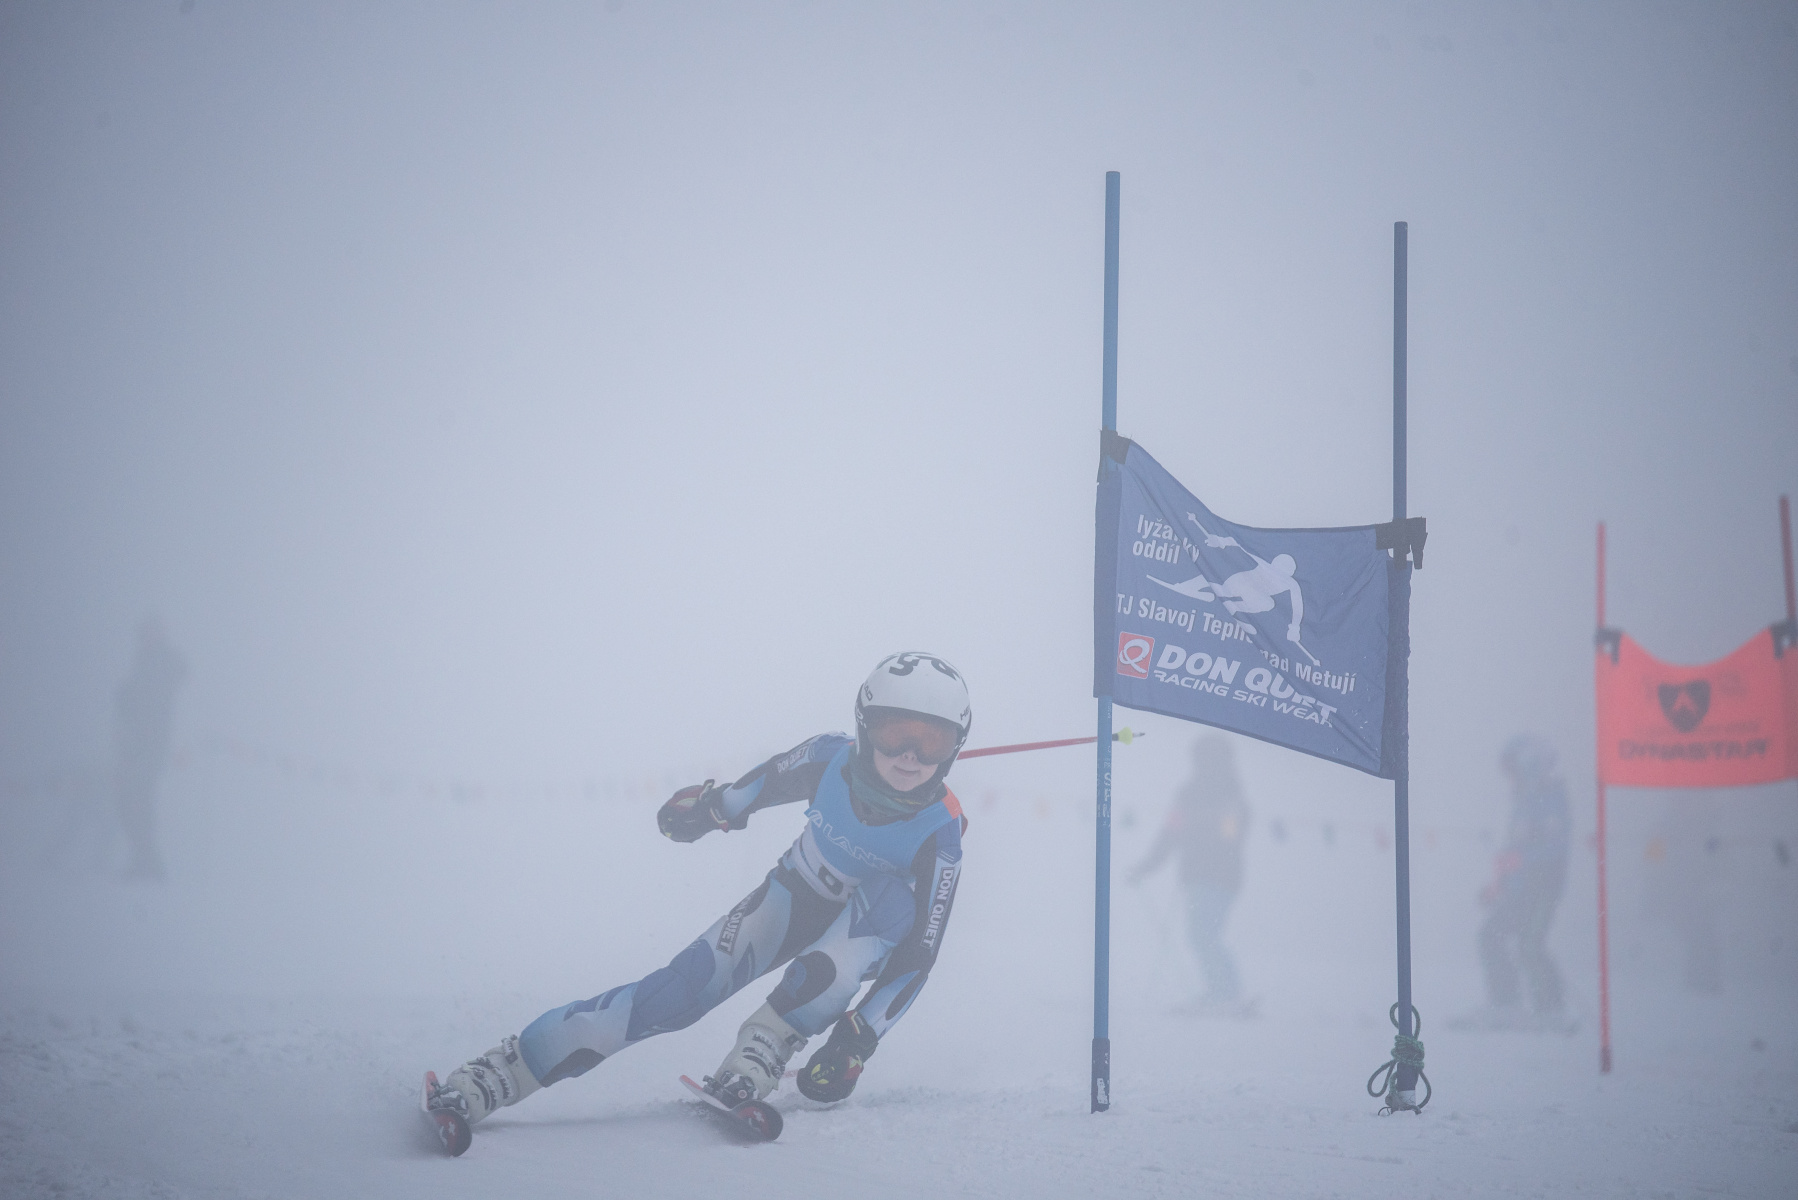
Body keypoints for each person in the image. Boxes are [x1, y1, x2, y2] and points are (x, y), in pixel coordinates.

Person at [426, 652, 972, 1139]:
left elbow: (919, 956)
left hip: (862, 931)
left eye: (933, 743)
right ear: (864, 726)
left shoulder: (941, 833)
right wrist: (710, 811)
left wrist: (857, 1039)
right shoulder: (828, 758)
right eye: (896, 734)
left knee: (874, 920)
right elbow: (761, 785)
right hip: (790, 898)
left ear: (954, 749)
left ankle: (762, 1050)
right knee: (674, 994)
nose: (910, 756)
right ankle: (501, 1071)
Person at [1128, 733, 1250, 1011]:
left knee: (1203, 934)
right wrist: (1146, 867)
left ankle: (1225, 993)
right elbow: (1170, 833)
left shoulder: (1231, 795)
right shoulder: (1189, 794)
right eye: (1203, 758)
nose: (1206, 764)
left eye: (1211, 758)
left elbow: (1230, 837)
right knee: (1202, 934)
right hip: (1199, 877)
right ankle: (1224, 992)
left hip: (1220, 877)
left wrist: (1200, 831)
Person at [1471, 734, 1571, 1029]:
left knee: (1530, 945)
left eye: (1513, 769)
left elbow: (1552, 847)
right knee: (1491, 935)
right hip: (1519, 889)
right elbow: (1514, 850)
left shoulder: (1550, 797)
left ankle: (1551, 1008)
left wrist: (1524, 863)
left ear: (1530, 764)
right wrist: (1498, 886)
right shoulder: (1525, 799)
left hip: (1541, 887)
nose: (1510, 777)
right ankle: (1507, 1002)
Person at [112, 615, 187, 879]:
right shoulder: (145, 663)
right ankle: (145, 859)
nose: (143, 639)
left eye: (148, 633)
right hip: (136, 745)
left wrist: (130, 696)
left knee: (138, 801)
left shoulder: (161, 664)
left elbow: (151, 701)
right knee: (130, 802)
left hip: (149, 746)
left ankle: (148, 862)